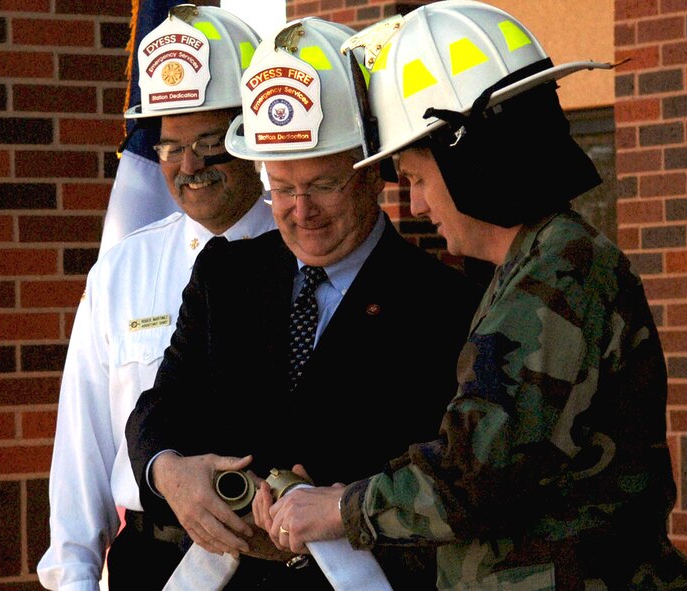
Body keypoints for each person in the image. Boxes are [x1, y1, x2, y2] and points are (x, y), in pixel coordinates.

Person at [263, 2, 687, 589]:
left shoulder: (556, 278)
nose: (416, 205)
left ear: (467, 161)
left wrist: (340, 509)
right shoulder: (535, 267)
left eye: (418, 178)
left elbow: (477, 476)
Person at [124, 15, 481, 590]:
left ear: (372, 175)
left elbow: (452, 477)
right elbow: (160, 406)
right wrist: (166, 470)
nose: (300, 210)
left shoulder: (444, 303)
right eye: (283, 188)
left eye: (322, 185)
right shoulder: (225, 274)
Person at [36, 6, 275, 590]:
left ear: (250, 136)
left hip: (276, 565)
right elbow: (83, 446)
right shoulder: (122, 270)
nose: (188, 166)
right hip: (153, 561)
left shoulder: (308, 260)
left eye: (209, 142)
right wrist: (74, 579)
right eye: (170, 146)